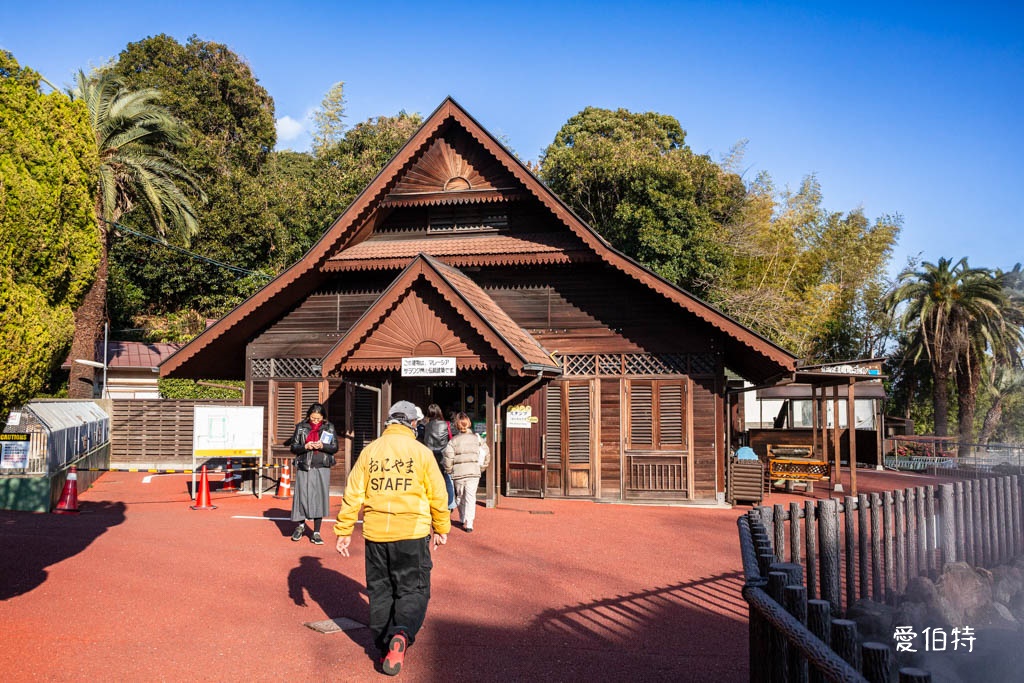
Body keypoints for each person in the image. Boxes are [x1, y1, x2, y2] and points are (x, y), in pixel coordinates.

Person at [334, 400, 450, 677]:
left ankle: (384, 643)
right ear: (411, 424)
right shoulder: (421, 453)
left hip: (375, 533)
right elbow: (438, 493)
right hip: (412, 531)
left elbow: (353, 494)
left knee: (380, 589)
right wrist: (441, 527)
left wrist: (344, 531)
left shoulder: (370, 451)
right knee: (413, 588)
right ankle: (401, 634)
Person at [288, 402, 338, 545]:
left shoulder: (329, 427)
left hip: (322, 466)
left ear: (323, 417)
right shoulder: (301, 427)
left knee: (320, 498)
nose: (315, 421)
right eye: (313, 418)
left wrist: (323, 446)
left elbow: (334, 447)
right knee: (302, 496)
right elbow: (293, 447)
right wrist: (305, 446)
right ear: (309, 416)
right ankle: (300, 526)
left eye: (318, 418)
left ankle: (316, 532)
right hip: (305, 466)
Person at [442, 412, 490, 533]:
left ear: (457, 425)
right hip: (473, 472)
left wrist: (449, 470)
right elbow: (486, 454)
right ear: (468, 423)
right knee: (470, 497)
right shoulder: (477, 438)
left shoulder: (453, 441)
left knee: (460, 496)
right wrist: (481, 468)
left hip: (458, 473)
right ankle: (469, 522)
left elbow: (448, 457)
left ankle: (463, 517)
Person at [419, 403, 456, 511]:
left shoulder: (426, 426)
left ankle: (429, 502)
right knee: (447, 479)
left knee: (429, 480)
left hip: (429, 455)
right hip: (443, 455)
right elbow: (452, 438)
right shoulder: (447, 424)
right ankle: (450, 503)